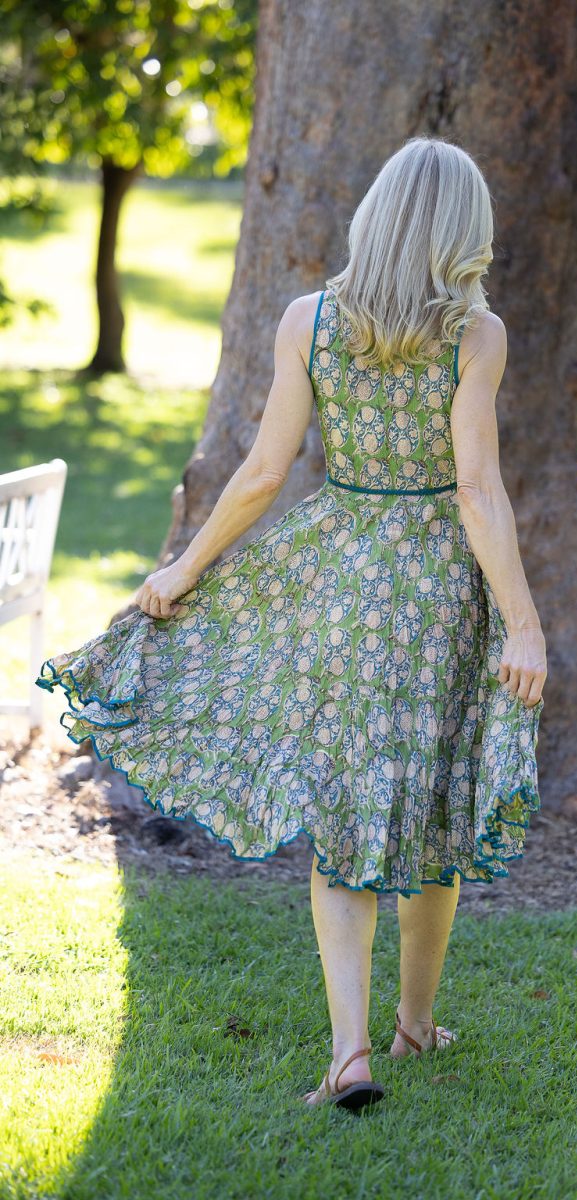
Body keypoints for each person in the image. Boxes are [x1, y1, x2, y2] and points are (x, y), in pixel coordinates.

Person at [35, 135, 547, 1113]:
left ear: (376, 219)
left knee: (345, 816)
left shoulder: (307, 322)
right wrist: (520, 624)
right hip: (437, 588)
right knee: (430, 803)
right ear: (460, 233)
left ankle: (350, 1054)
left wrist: (183, 569)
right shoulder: (476, 337)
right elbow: (477, 491)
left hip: (335, 581)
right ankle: (414, 1023)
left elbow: (265, 471)